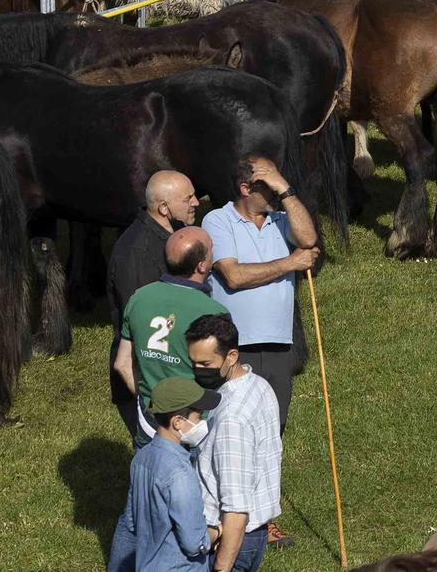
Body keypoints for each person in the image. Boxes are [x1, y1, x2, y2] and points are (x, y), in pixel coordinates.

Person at [202, 153, 318, 430]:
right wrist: (291, 263)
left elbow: (309, 239)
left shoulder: (280, 218)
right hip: (236, 348)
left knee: (272, 433)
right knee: (233, 429)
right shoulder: (217, 220)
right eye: (269, 184)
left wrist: (286, 190)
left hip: (279, 348)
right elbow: (233, 275)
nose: (276, 190)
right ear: (246, 189)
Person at [185, 312, 292, 565]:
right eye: (193, 363)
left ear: (231, 356)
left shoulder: (232, 419)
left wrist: (222, 567)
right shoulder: (258, 384)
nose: (197, 371)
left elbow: (235, 508)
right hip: (252, 534)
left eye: (205, 364)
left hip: (229, 539)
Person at [115, 227, 227, 449]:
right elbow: (222, 372)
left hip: (150, 422)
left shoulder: (139, 298)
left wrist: (150, 402)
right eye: (211, 249)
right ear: (202, 265)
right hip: (195, 426)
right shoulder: (213, 312)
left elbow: (122, 364)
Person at [107, 171, 199, 440]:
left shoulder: (175, 235)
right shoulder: (136, 253)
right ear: (163, 207)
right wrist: (155, 403)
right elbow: (141, 325)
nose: (196, 202)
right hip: (144, 380)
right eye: (188, 198)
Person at [105, 375, 218, 572]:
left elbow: (132, 522)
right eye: (198, 416)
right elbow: (193, 543)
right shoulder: (181, 474)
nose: (202, 421)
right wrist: (214, 533)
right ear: (178, 422)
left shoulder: (141, 459)